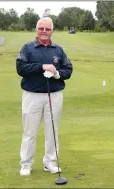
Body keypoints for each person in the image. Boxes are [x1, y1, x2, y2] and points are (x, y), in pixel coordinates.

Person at [16, 17, 73, 176]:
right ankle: (26, 164)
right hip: (32, 95)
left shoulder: (58, 50)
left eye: (47, 29)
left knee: (52, 131)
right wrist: (42, 67)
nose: (44, 32)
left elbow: (68, 70)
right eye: (41, 28)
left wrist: (56, 74)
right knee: (29, 132)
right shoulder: (28, 48)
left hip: (54, 95)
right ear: (36, 30)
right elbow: (21, 68)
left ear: (52, 31)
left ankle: (50, 162)